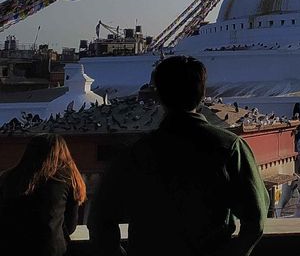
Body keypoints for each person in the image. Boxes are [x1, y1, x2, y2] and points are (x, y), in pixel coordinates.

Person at [89, 56, 268, 256]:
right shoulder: (230, 148)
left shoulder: (135, 153)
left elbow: (99, 220)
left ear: (158, 95)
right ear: (202, 94)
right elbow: (256, 219)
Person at [0, 133, 86, 256]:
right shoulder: (66, 178)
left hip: (10, 247)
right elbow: (71, 226)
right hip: (50, 249)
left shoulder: (7, 177)